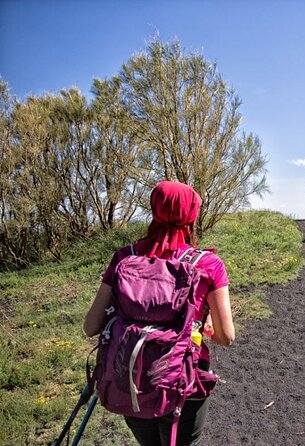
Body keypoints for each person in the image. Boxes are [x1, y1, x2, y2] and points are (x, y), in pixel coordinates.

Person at [83, 180, 235, 446]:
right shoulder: (208, 264)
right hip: (186, 380)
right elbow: (226, 337)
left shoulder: (124, 257)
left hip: (130, 375)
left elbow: (90, 326)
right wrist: (205, 323)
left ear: (154, 209)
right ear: (192, 215)